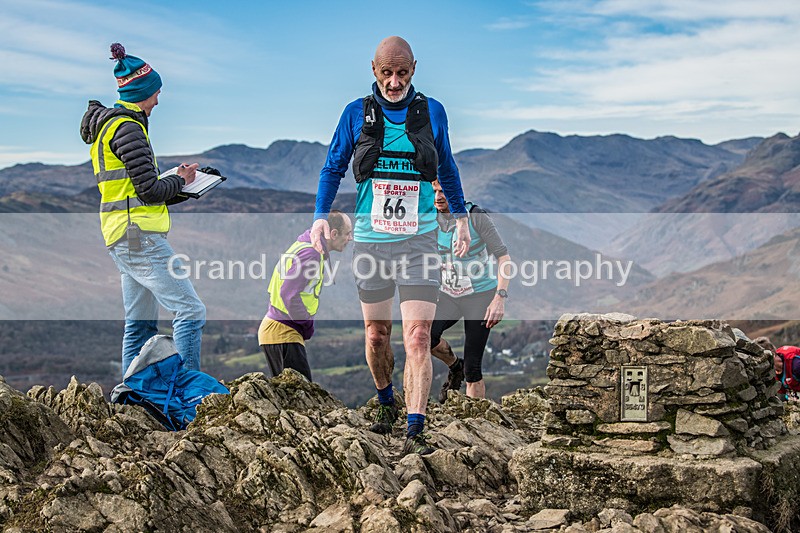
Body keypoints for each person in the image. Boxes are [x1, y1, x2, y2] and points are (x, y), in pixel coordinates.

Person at [311, 36, 470, 455]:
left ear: (414, 68)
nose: (395, 82)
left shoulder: (433, 112)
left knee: (418, 336)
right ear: (374, 70)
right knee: (377, 335)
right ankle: (385, 403)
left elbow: (448, 169)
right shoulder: (354, 114)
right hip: (371, 243)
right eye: (387, 73)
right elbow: (332, 169)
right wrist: (318, 219)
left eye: (402, 73)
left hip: (420, 241)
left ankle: (415, 428)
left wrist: (462, 220)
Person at [80, 43, 206, 377]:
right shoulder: (128, 128)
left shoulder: (111, 126)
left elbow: (137, 191)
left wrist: (182, 186)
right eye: (155, 93)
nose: (158, 100)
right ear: (142, 91)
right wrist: (180, 180)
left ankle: (130, 398)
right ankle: (191, 396)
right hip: (139, 237)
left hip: (123, 235)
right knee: (191, 311)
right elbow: (150, 191)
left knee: (139, 326)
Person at [429, 179, 511, 402]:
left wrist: (499, 298)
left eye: (444, 191)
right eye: (434, 190)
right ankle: (455, 366)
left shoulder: (476, 217)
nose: (438, 196)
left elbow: (504, 258)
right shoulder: (429, 216)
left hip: (480, 297)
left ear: (456, 193)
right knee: (425, 336)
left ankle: (473, 423)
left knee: (473, 368)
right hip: (448, 295)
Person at [258, 211, 353, 381]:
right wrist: (307, 325)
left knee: (291, 400)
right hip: (283, 332)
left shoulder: (306, 246)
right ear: (333, 234)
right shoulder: (311, 254)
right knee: (300, 400)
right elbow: (288, 294)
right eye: (348, 233)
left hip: (279, 331)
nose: (350, 238)